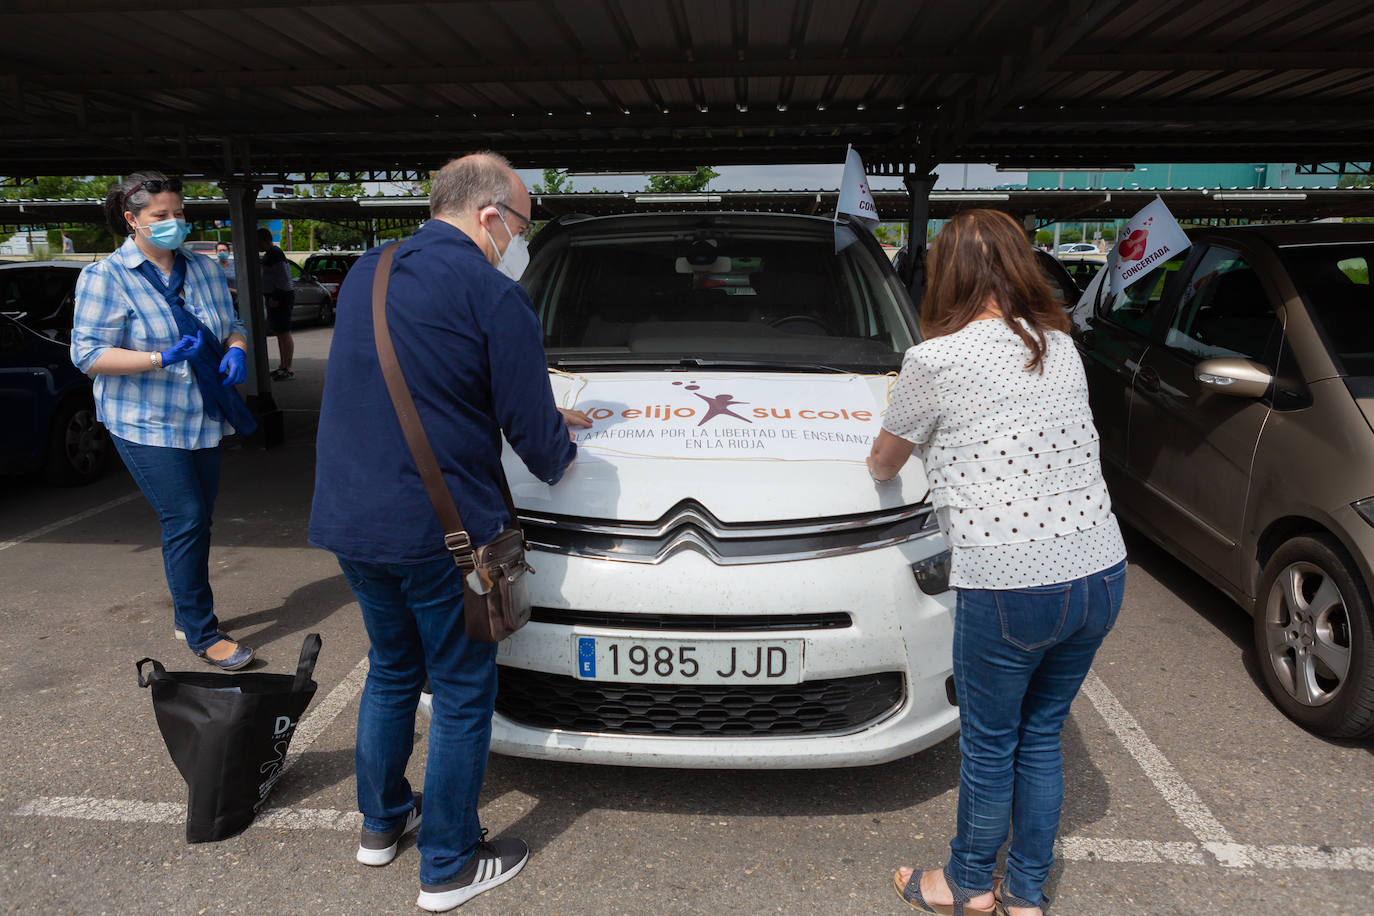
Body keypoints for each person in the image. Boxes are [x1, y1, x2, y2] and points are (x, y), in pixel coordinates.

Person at [309, 152, 592, 913]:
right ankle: (449, 863)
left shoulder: (367, 272)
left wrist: (519, 403)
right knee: (464, 691)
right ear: (489, 215)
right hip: (445, 536)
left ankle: (380, 825)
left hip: (351, 521)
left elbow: (419, 375)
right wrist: (563, 440)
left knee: (392, 670)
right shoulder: (493, 293)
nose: (521, 242)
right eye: (523, 225)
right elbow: (540, 446)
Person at [869, 209, 1127, 916]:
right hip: (1100, 569)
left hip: (1011, 579)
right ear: (1021, 265)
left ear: (944, 275)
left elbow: (885, 459)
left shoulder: (935, 360)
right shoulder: (1059, 345)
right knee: (1041, 734)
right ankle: (1026, 893)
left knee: (989, 744)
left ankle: (966, 884)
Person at [70, 171, 258, 671]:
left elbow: (233, 325)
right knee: (187, 519)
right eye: (161, 216)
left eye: (179, 214)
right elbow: (87, 355)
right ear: (132, 220)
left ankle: (185, 610)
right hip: (145, 420)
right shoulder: (105, 277)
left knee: (198, 520)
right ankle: (201, 631)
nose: (174, 223)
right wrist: (158, 358)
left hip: (203, 415)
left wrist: (236, 351)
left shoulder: (204, 268)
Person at [257, 226, 294, 380]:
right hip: (275, 297)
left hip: (280, 298)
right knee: (280, 333)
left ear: (263, 240)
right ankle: (282, 365)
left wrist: (276, 297)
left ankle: (288, 367)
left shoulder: (276, 254)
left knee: (284, 332)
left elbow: (283, 278)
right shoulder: (270, 254)